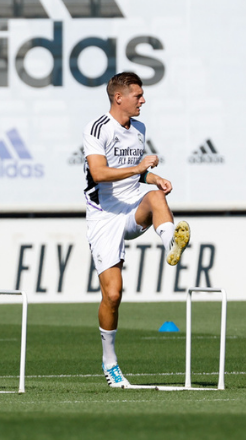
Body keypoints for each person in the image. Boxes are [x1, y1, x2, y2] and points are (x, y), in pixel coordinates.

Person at [82, 72, 190, 388]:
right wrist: (142, 168)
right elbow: (100, 173)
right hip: (103, 216)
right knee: (113, 294)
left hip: (132, 207)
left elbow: (133, 178)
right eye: (138, 95)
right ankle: (110, 364)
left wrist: (154, 179)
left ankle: (172, 243)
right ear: (119, 98)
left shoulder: (139, 128)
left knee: (156, 198)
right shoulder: (97, 128)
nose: (143, 100)